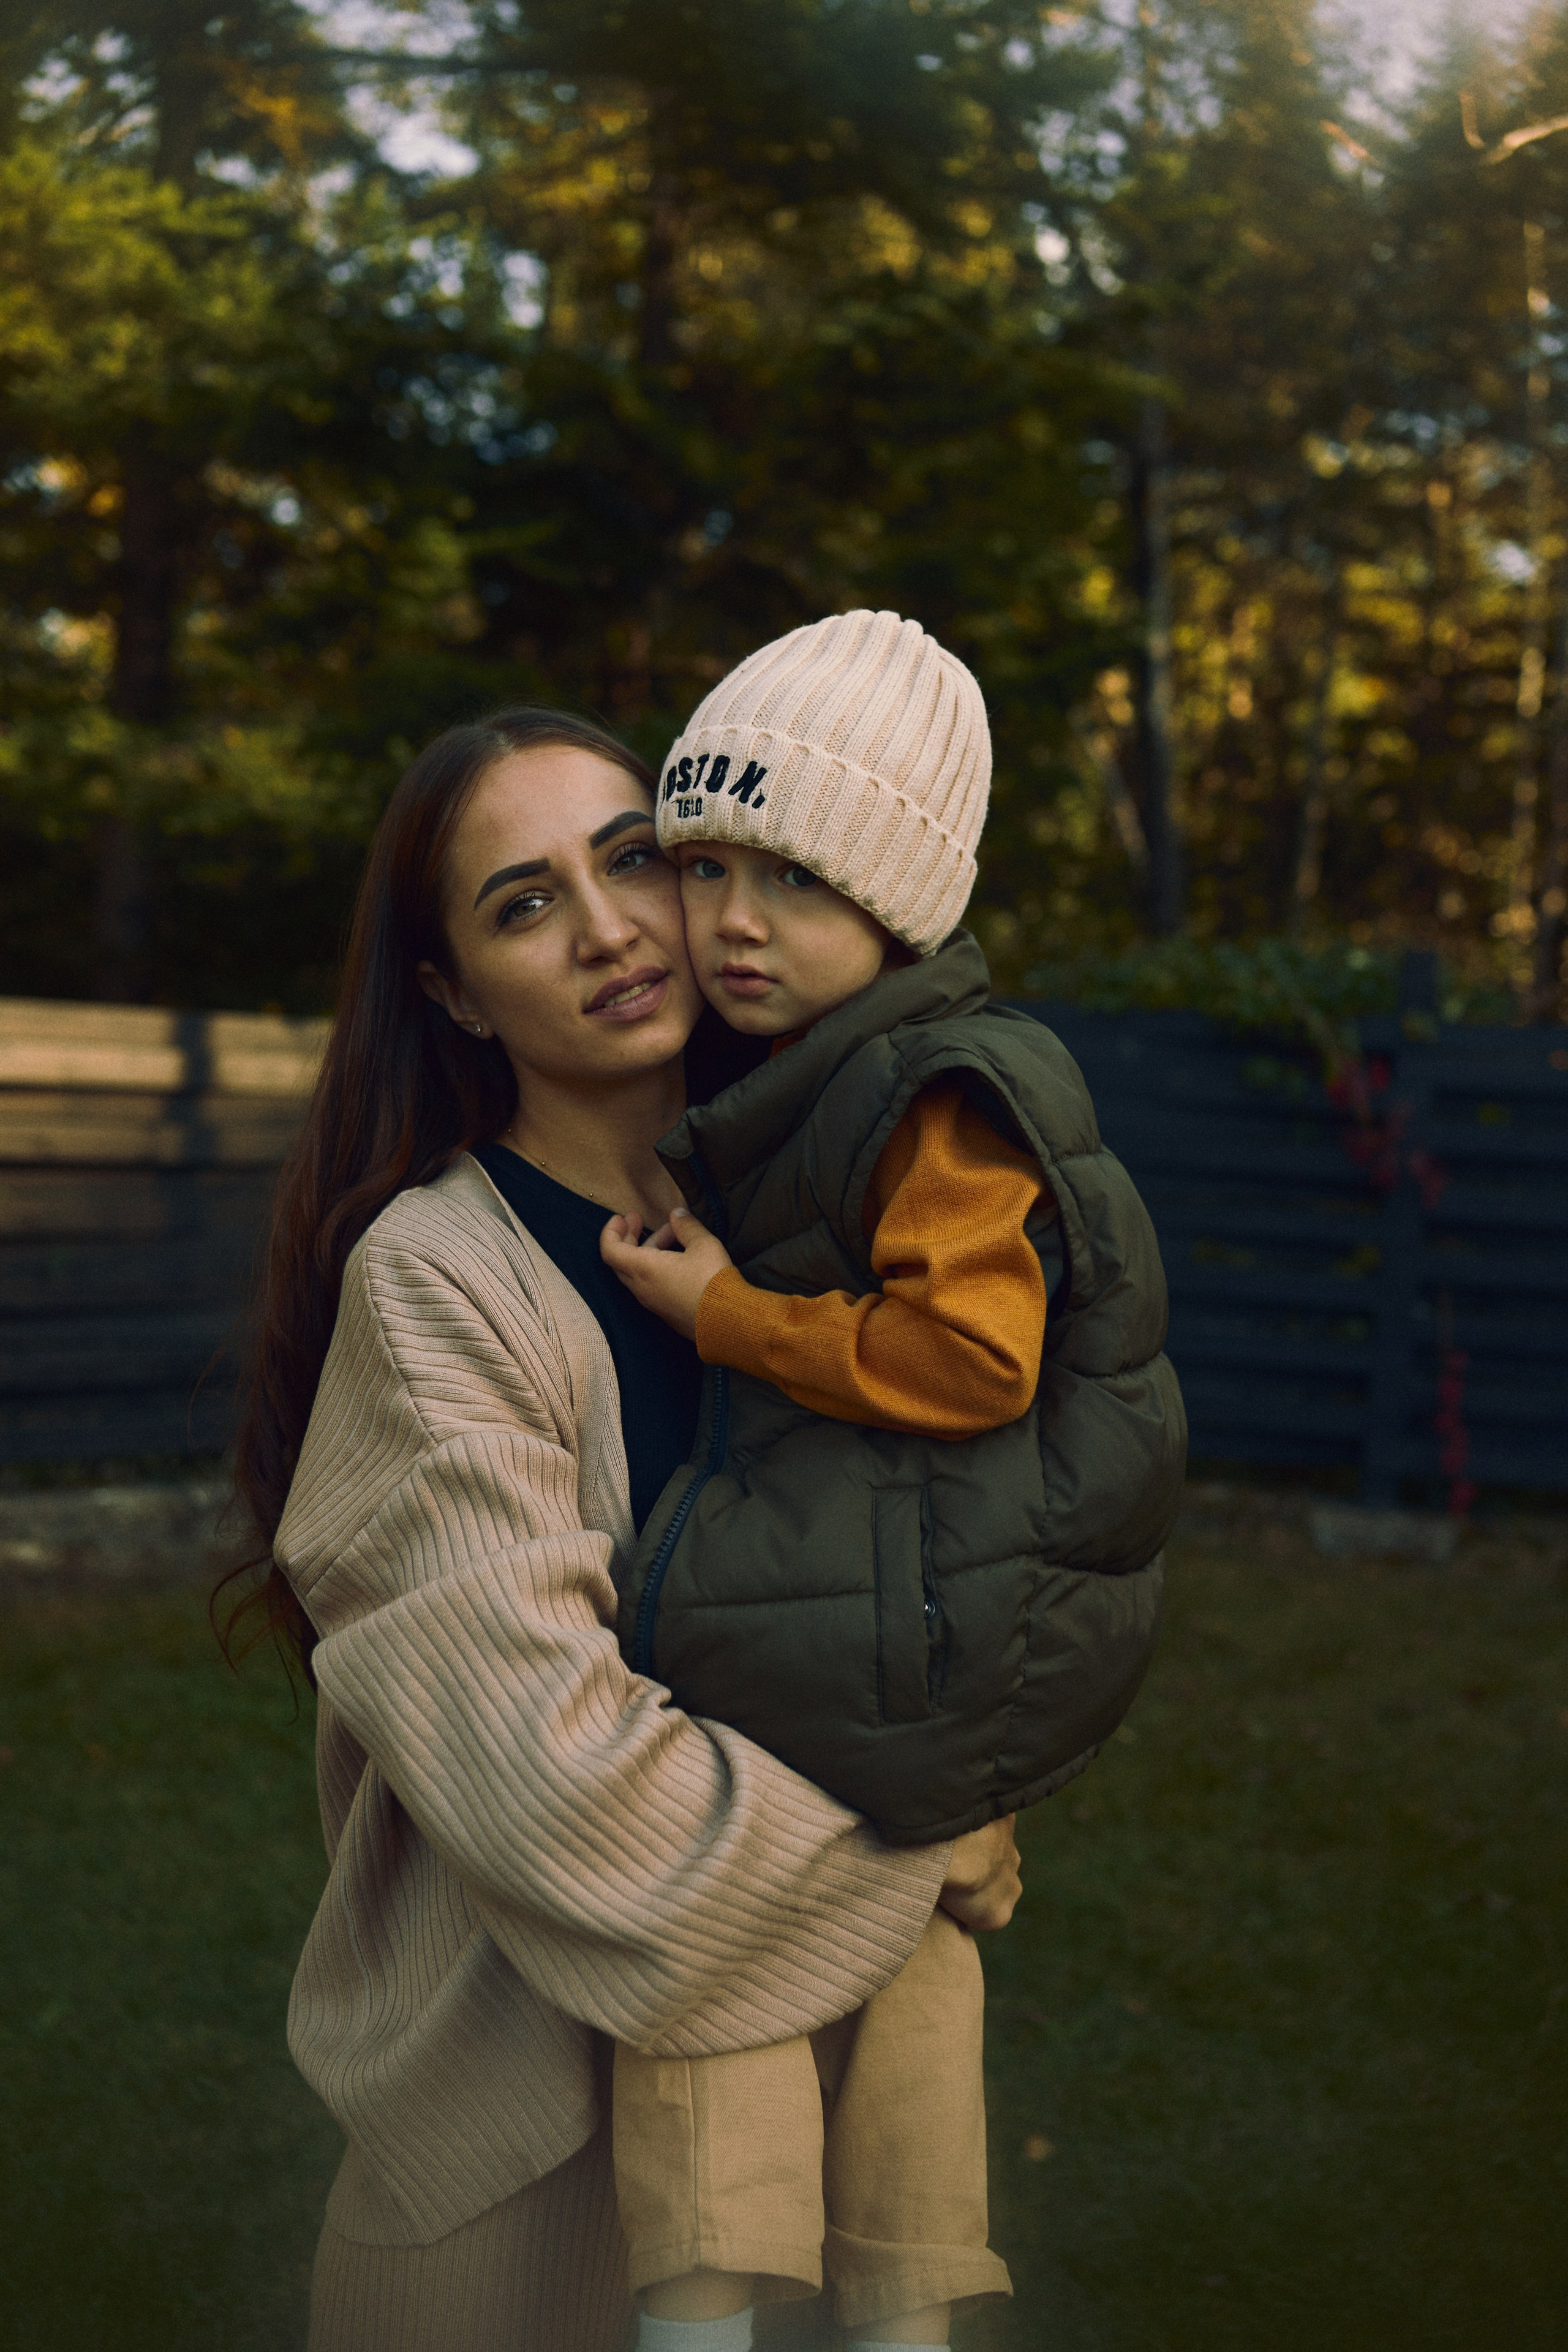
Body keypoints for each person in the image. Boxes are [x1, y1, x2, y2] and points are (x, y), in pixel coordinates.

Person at [228, 704, 1021, 2352]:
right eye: (523, 904)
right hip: (534, 2160)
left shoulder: (804, 1240)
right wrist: (925, 1829)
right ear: (450, 992)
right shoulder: (438, 1283)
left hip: (805, 2139)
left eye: (635, 861)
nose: (605, 930)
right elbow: (574, 1798)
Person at [600, 612, 1186, 2350]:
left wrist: (731, 1318)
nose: (732, 923)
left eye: (790, 878)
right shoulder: (837, 1065)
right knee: (911, 1960)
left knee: (710, 1938)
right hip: (892, 1624)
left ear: (899, 902)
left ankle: (722, 2302)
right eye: (704, 869)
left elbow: (971, 1360)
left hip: (901, 1630)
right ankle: (894, 2301)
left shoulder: (940, 1097)